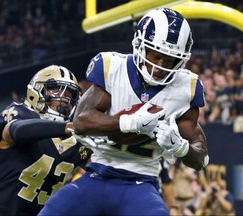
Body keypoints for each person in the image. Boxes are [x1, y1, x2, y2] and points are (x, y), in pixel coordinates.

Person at [39, 8, 209, 215]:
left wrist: (180, 147)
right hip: (97, 175)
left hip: (142, 183)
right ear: (140, 47)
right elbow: (81, 122)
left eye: (169, 60)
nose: (159, 67)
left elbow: (201, 158)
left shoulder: (186, 88)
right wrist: (129, 123)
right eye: (155, 56)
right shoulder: (113, 67)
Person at [0, 65, 92, 216]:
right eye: (55, 89)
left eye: (70, 94)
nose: (64, 99)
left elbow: (103, 169)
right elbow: (17, 131)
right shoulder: (20, 114)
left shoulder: (77, 141)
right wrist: (67, 127)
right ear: (36, 91)